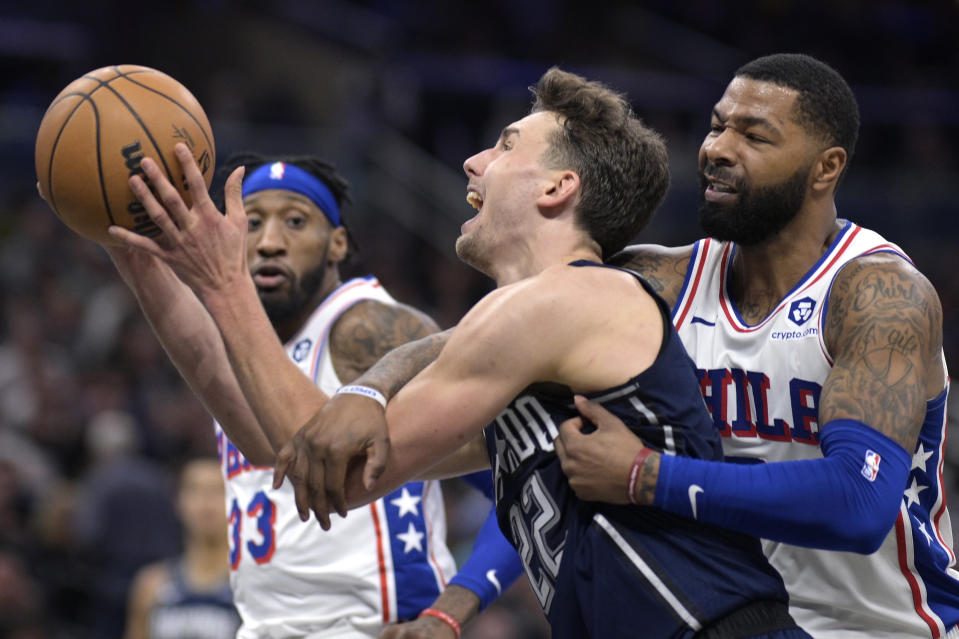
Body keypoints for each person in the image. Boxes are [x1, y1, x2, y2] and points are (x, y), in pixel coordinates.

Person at [260, 67, 813, 638]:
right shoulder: (537, 333)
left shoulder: (570, 297)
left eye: (505, 144)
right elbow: (301, 450)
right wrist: (368, 385)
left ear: (557, 187)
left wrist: (218, 280)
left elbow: (346, 479)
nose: (474, 162)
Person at [548, 53, 959, 639]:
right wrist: (375, 389)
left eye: (753, 135)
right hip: (730, 620)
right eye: (717, 125)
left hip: (881, 627)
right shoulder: (663, 285)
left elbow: (859, 503)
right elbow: (489, 369)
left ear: (826, 168)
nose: (717, 147)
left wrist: (645, 475)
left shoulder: (879, 295)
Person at [104, 151, 523, 638]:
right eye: (253, 222)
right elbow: (205, 360)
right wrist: (121, 240)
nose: (269, 243)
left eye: (296, 222)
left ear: (337, 243)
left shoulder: (370, 326)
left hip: (373, 626)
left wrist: (452, 607)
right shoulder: (244, 344)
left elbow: (515, 477)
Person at [123, 454, 241, 639]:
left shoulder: (252, 586)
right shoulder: (151, 587)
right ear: (178, 502)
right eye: (194, 490)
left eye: (218, 490)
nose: (206, 502)